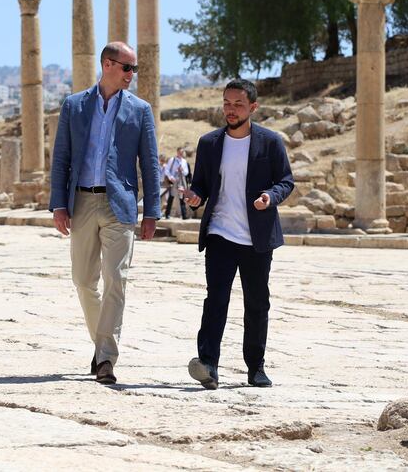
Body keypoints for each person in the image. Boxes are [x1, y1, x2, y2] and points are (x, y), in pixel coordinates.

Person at [49, 41, 159, 385]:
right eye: (128, 68)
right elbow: (61, 158)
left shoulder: (140, 110)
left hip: (120, 205)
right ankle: (101, 344)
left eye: (134, 69)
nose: (132, 75)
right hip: (80, 202)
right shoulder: (74, 106)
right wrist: (58, 204)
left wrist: (152, 210)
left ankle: (106, 358)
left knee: (116, 278)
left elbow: (151, 163)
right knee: (83, 281)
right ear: (107, 65)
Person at [183, 78, 293, 390]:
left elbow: (286, 180)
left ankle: (255, 367)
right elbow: (202, 185)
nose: (231, 110)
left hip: (256, 237)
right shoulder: (209, 143)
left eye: (238, 105)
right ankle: (208, 365)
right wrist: (195, 197)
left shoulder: (270, 142)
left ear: (253, 108)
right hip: (220, 233)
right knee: (215, 299)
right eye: (227, 104)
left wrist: (270, 197)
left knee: (257, 303)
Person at [163, 147, 190, 219]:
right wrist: (170, 177)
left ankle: (184, 215)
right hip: (174, 181)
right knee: (171, 197)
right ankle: (167, 214)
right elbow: (167, 170)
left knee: (182, 197)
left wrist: (182, 170)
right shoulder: (172, 160)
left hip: (181, 181)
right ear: (177, 152)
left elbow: (186, 172)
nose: (181, 153)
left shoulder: (184, 161)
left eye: (182, 152)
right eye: (180, 152)